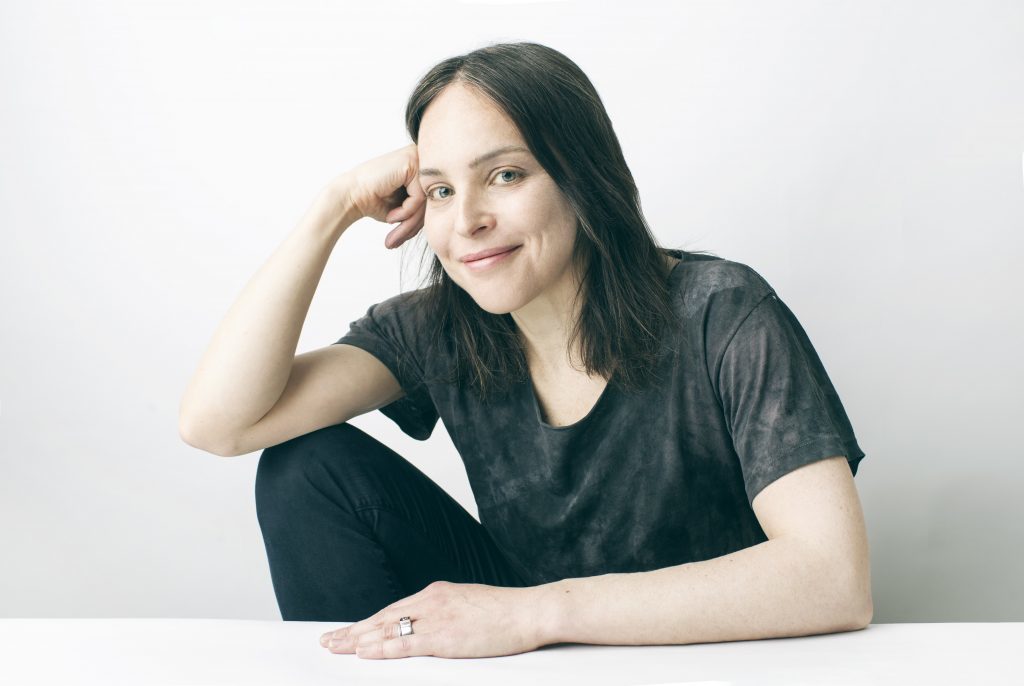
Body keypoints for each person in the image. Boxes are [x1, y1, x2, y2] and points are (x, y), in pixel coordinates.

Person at [178, 41, 871, 660]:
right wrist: (332, 208)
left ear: (582, 175)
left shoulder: (723, 310)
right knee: (304, 466)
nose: (468, 220)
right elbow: (220, 425)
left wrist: (534, 613)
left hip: (705, 655)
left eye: (505, 175)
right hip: (527, 644)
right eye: (441, 190)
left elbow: (832, 578)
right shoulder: (437, 327)